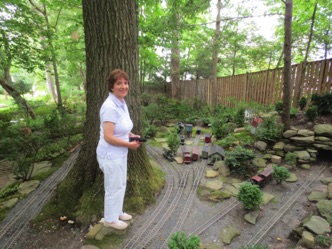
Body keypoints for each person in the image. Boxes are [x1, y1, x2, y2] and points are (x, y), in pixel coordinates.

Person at [96, 69, 142, 230]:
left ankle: (117, 212)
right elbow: (109, 136)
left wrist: (131, 135)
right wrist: (130, 144)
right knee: (113, 187)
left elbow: (120, 128)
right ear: (111, 87)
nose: (123, 86)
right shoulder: (109, 106)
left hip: (120, 152)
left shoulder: (121, 103)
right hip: (110, 154)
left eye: (125, 83)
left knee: (121, 183)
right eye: (119, 83)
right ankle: (110, 219)